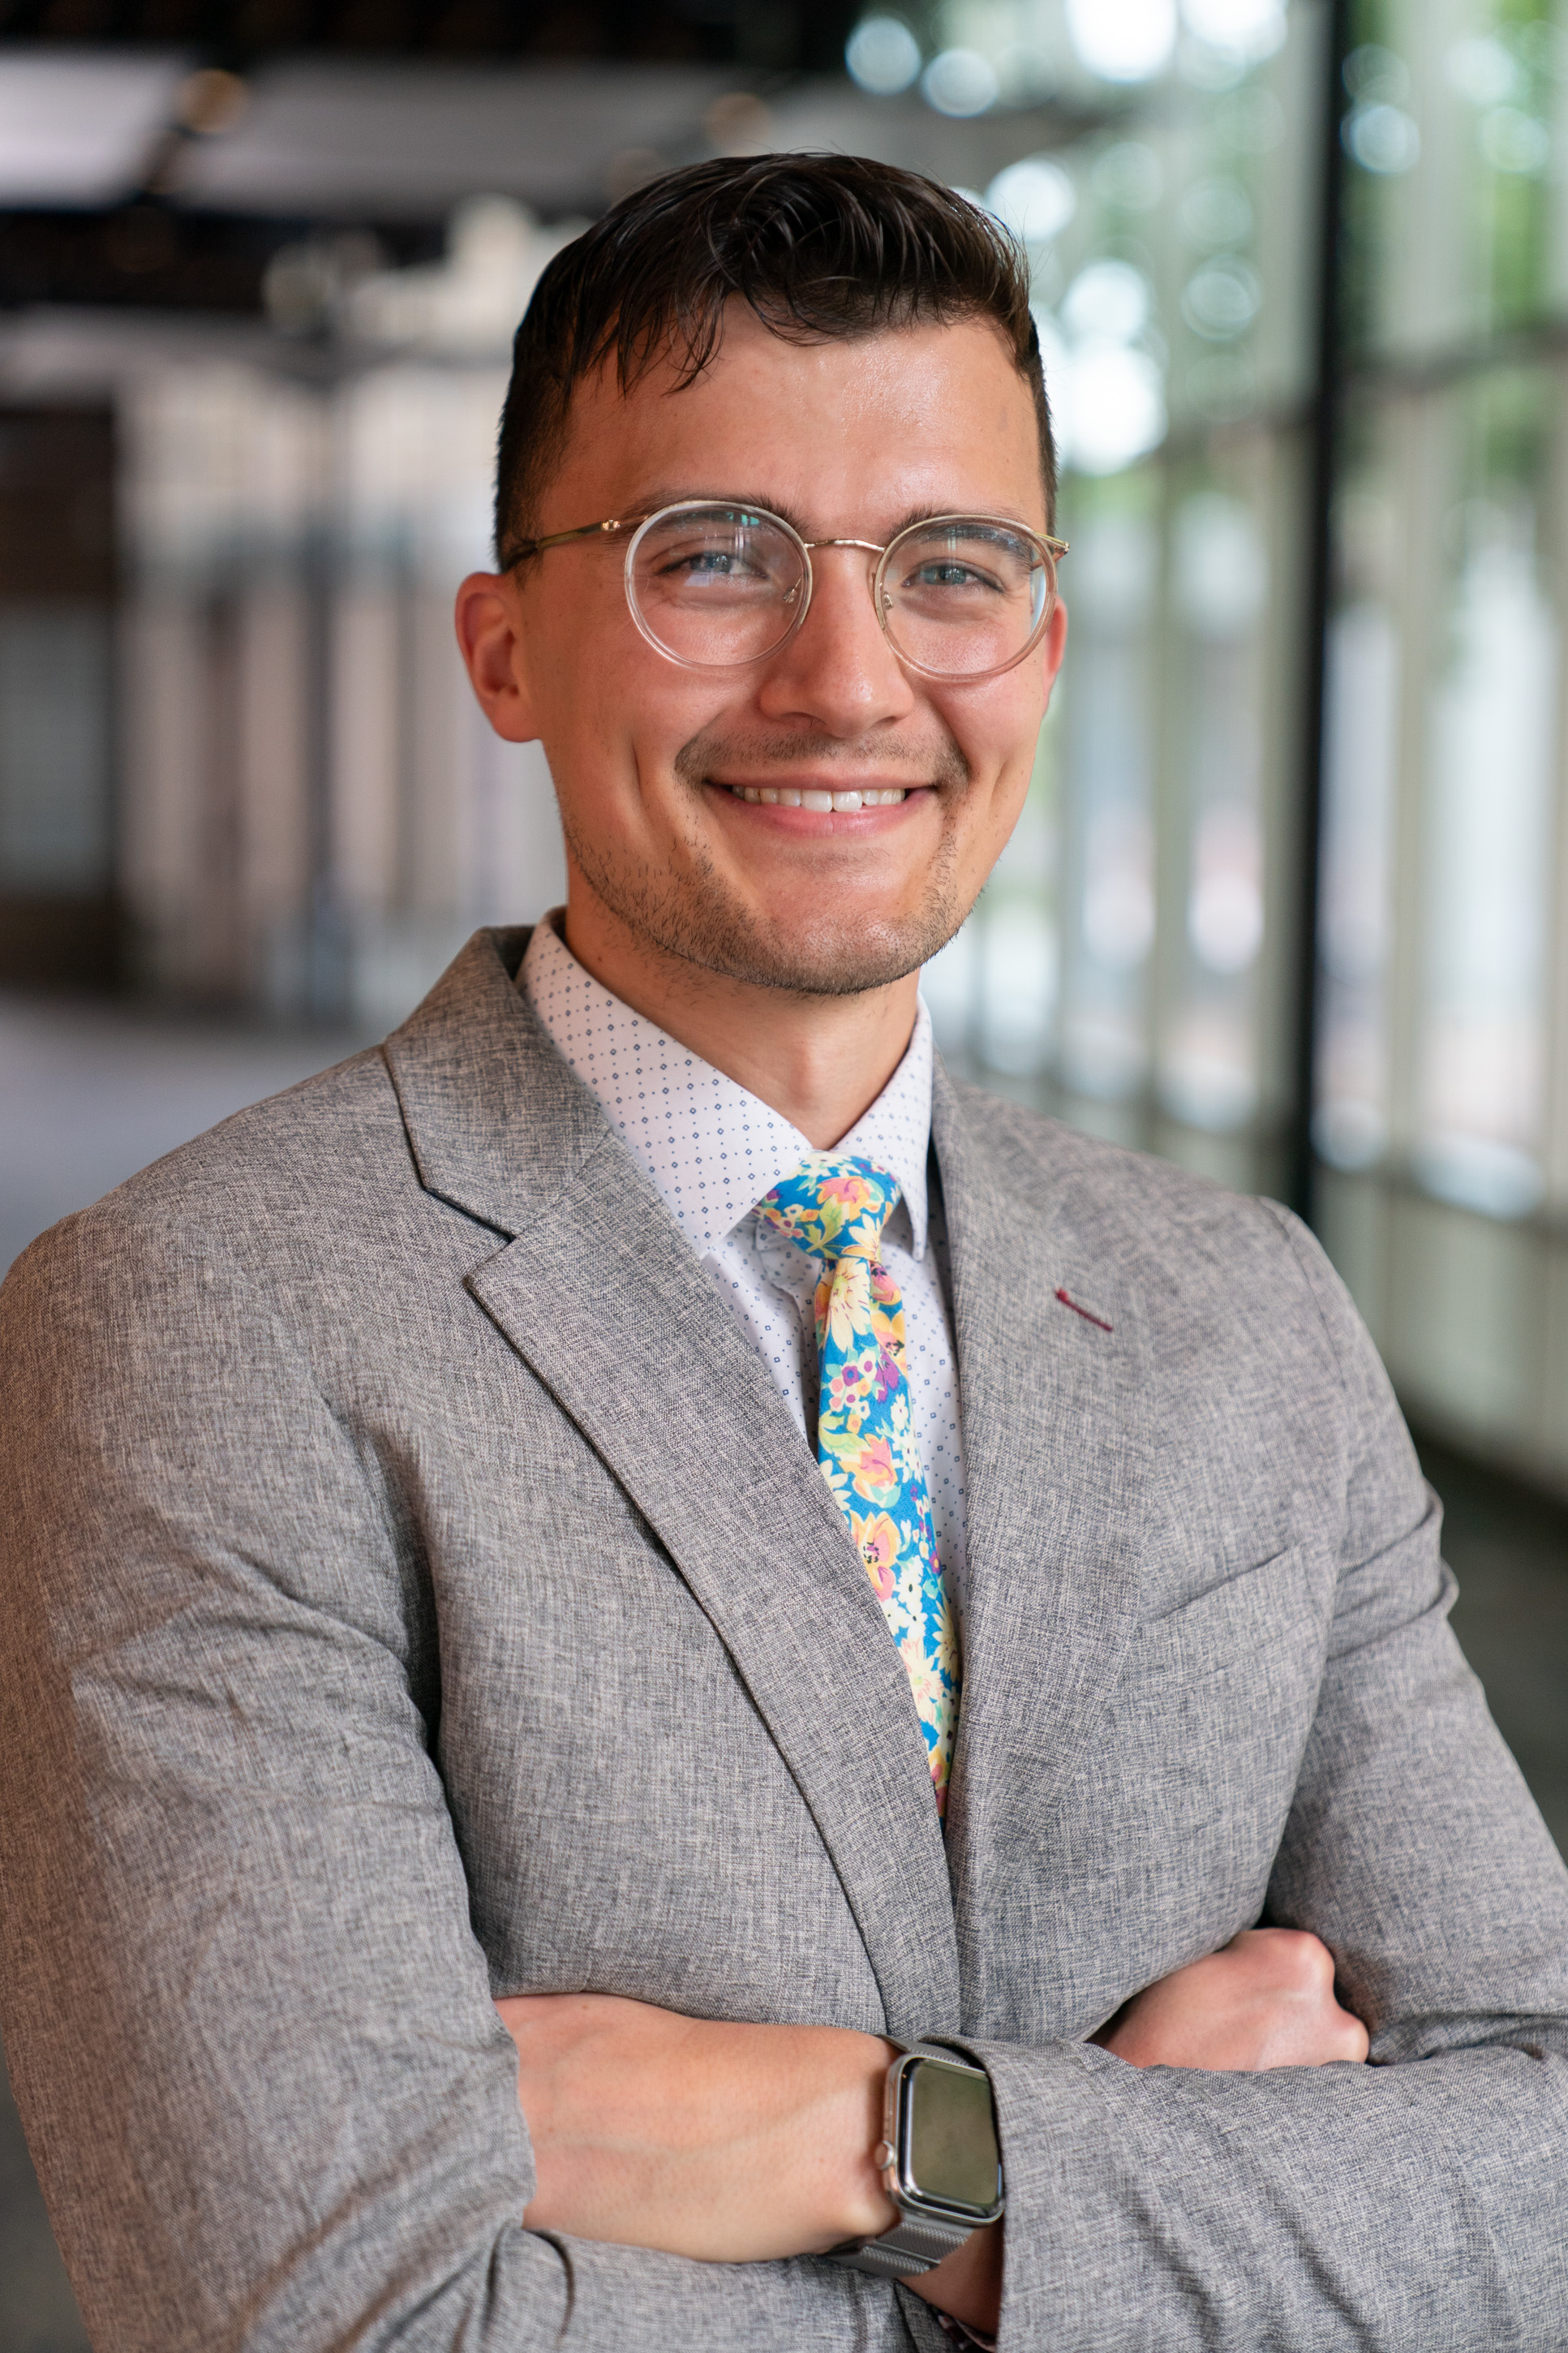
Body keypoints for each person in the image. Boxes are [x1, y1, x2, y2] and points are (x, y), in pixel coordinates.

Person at [2, 154, 1566, 2353]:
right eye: (712, 557)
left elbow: (1549, 2167)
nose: (847, 680)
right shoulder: (192, 1326)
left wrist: (885, 2144)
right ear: (505, 648)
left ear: (1039, 635)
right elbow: (328, 2309)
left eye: (950, 565)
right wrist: (1193, 2187)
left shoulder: (1250, 1312)